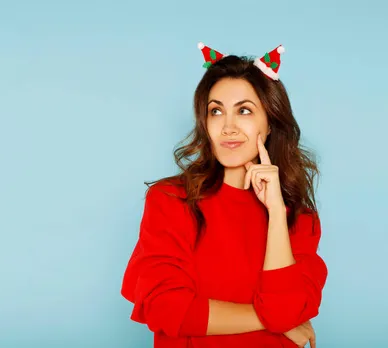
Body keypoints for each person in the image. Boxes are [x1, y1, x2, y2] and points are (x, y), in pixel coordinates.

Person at [120, 43, 328, 348]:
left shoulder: (300, 217)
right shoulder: (171, 200)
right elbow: (168, 310)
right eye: (216, 111)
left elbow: (285, 304)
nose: (228, 127)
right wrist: (274, 321)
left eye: (244, 110)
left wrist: (275, 213)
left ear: (270, 122)